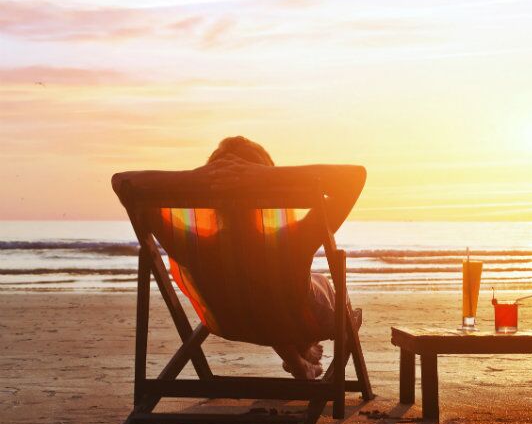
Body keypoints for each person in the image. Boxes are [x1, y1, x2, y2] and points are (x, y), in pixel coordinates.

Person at [111, 136, 365, 380]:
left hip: (230, 322)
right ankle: (303, 347)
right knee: (311, 288)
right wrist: (264, 176)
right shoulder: (292, 241)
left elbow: (122, 182)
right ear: (270, 190)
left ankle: (300, 359)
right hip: (298, 321)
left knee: (262, 294)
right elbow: (355, 177)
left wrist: (194, 179)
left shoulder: (192, 245)